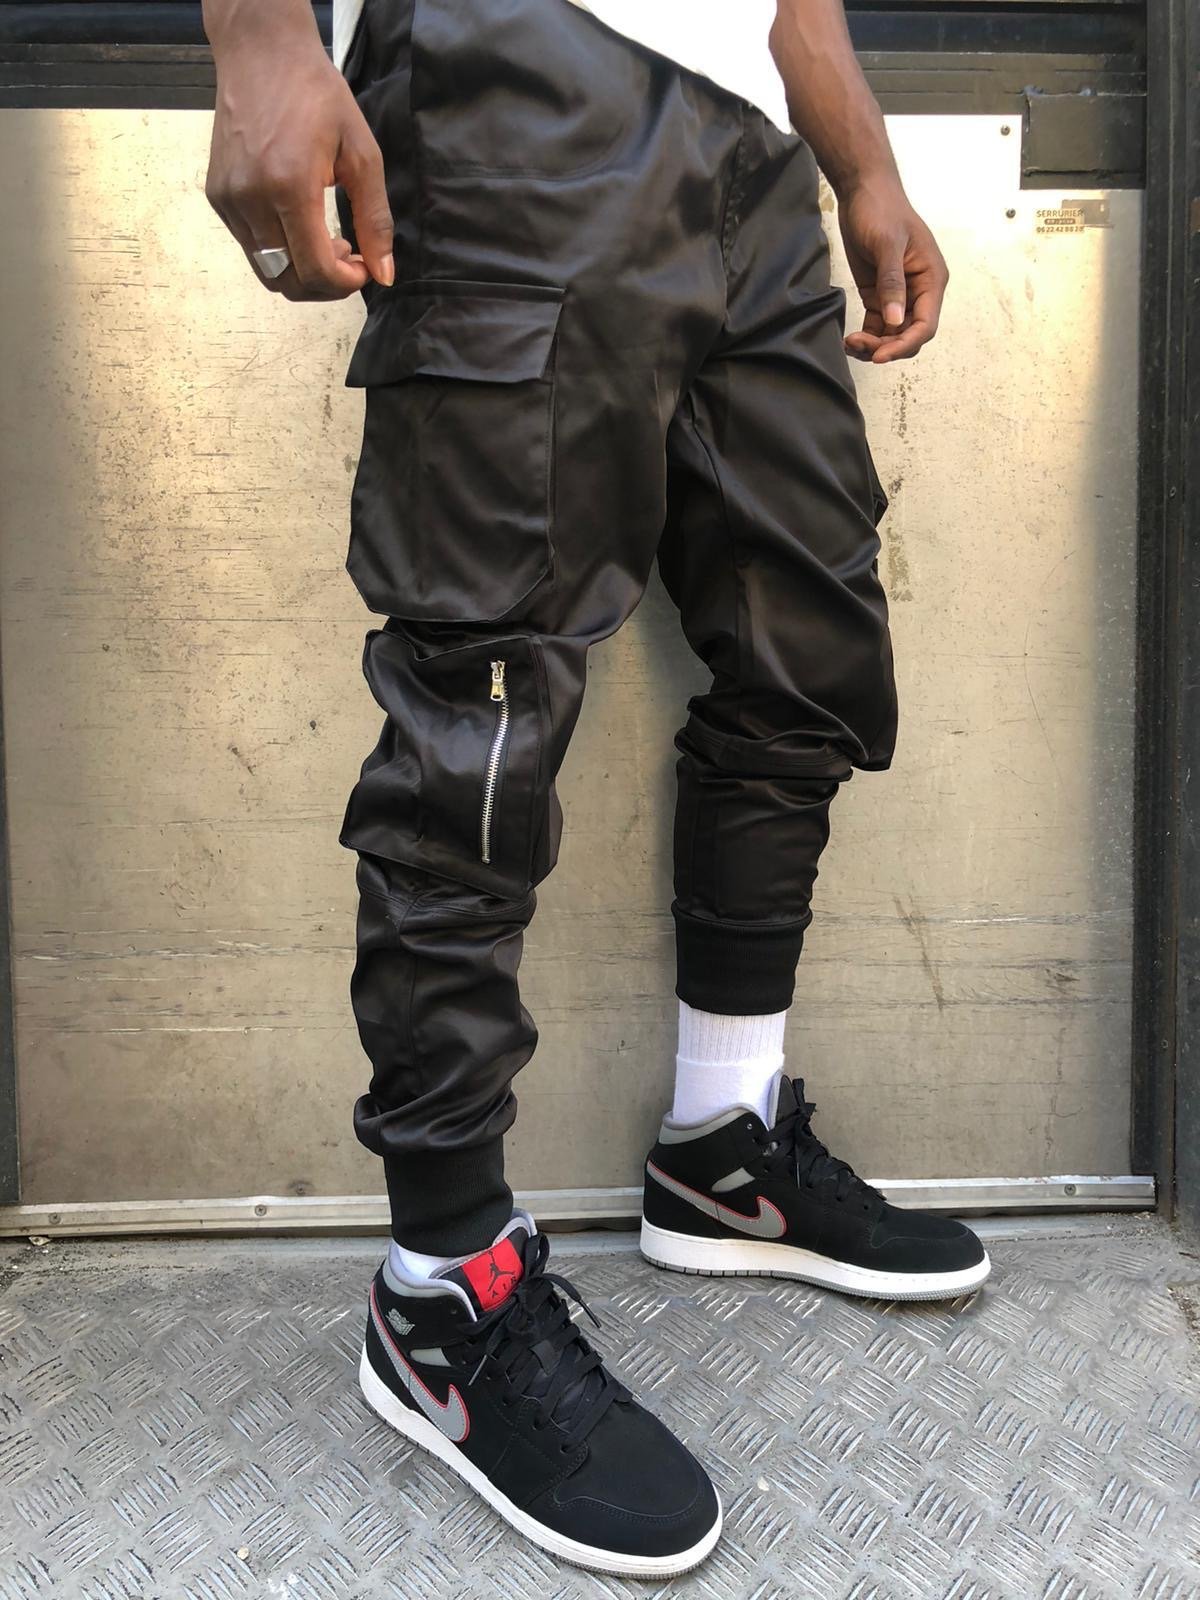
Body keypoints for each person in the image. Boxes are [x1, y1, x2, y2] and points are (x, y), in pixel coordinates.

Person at [201, 0, 990, 1577]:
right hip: (509, 74)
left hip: (749, 143)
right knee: (483, 705)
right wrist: (259, 37)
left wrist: (860, 161)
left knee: (804, 647)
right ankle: (444, 1291)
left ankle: (723, 1149)